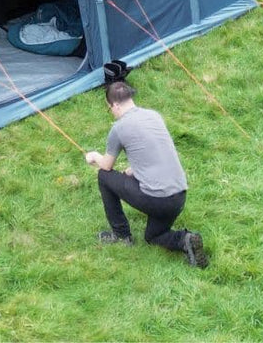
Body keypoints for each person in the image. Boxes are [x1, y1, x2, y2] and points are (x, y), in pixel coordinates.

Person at [84, 80, 208, 268]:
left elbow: (107, 166)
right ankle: (186, 240)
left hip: (157, 200)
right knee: (153, 236)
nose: (111, 111)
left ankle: (121, 235)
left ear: (115, 105)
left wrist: (93, 156)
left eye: (109, 108)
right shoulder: (153, 116)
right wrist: (134, 170)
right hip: (178, 196)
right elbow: (155, 150)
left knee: (104, 176)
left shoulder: (118, 128)